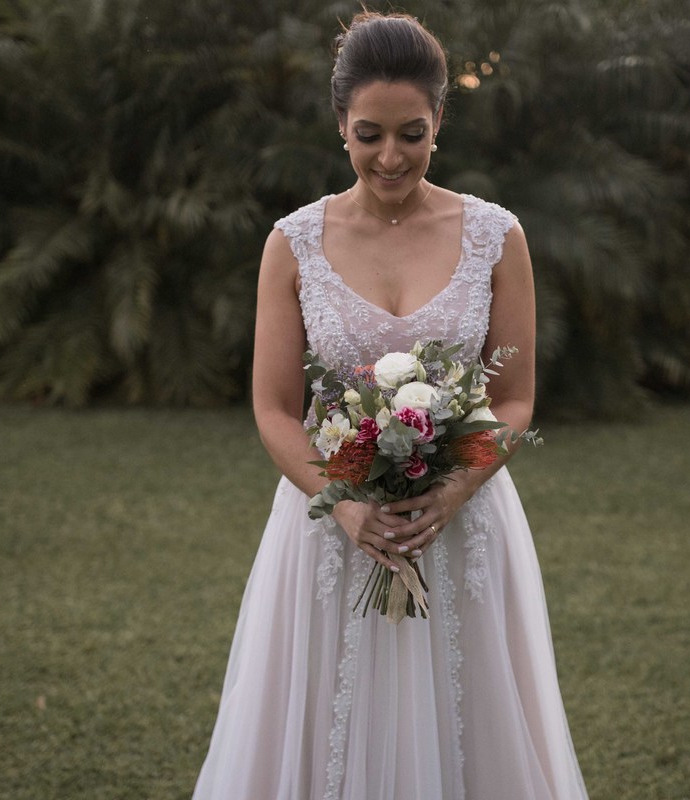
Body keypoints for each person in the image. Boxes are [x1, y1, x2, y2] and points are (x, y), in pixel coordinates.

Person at [191, 11, 588, 800]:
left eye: (412, 132)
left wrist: (455, 486)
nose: (391, 155)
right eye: (370, 133)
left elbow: (512, 398)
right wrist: (341, 505)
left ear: (440, 119)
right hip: (332, 531)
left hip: (462, 527)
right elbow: (275, 408)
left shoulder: (495, 236)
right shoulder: (293, 243)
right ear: (340, 125)